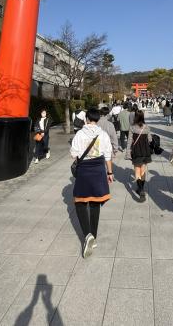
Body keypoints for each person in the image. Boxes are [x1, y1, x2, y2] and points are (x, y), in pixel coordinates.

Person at [70, 108, 114, 258]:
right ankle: (93, 236)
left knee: (80, 202)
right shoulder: (103, 134)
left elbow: (73, 154)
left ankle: (87, 235)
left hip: (84, 170)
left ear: (87, 119)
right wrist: (110, 172)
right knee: (96, 202)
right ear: (97, 119)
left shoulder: (80, 134)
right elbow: (108, 155)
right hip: (98, 170)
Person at [127, 110, 153, 201]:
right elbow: (150, 140)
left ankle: (140, 189)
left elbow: (129, 141)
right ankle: (141, 188)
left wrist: (128, 152)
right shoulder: (147, 127)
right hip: (145, 151)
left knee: (137, 170)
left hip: (136, 151)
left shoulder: (132, 127)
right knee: (143, 170)